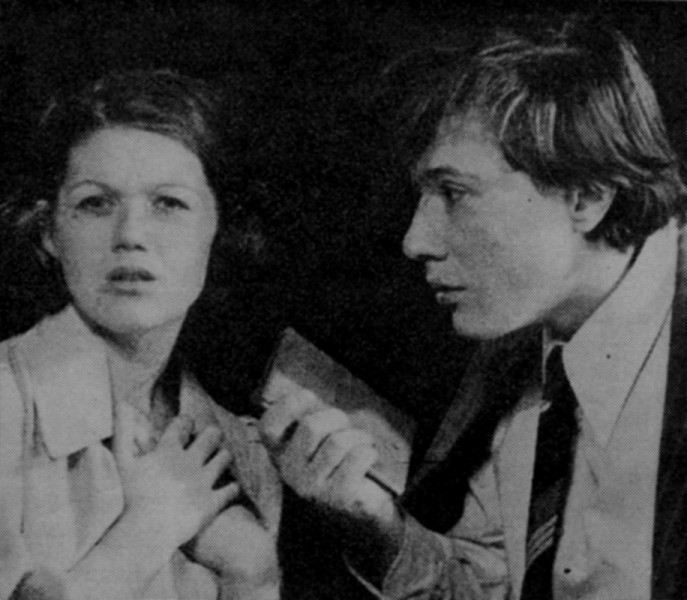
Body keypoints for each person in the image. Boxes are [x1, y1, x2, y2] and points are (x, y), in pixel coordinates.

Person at [259, 13, 687, 599]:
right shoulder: (518, 348)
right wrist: (374, 520)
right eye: (423, 195)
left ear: (585, 197)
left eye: (454, 193)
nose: (415, 241)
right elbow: (487, 587)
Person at [0, 69, 281, 600]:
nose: (130, 235)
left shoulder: (241, 452)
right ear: (49, 230)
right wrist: (145, 534)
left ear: (219, 229)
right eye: (95, 203)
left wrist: (252, 577)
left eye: (168, 204)